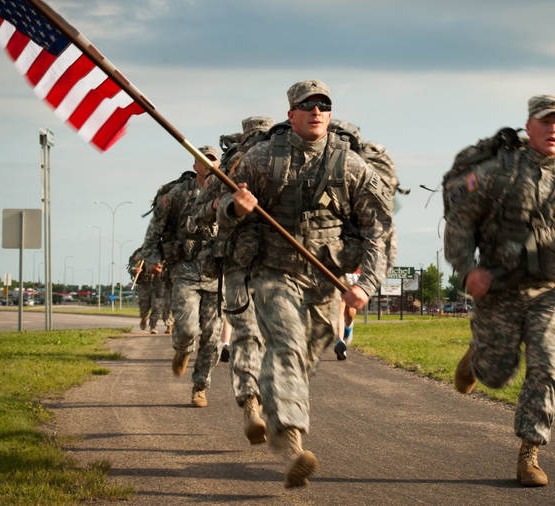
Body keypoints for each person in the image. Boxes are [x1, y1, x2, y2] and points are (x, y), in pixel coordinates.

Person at [216, 80, 393, 487]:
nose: (316, 111)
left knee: (303, 357)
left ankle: (275, 410)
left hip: (324, 280)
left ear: (330, 114)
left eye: (323, 105)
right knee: (287, 345)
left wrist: (365, 286)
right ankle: (294, 443)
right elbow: (220, 209)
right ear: (291, 114)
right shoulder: (260, 158)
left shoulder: (351, 166)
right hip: (273, 274)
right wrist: (234, 207)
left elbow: (377, 232)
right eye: (307, 105)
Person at [443, 94, 555, 487]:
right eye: (546, 121)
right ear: (529, 126)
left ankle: (530, 452)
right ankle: (477, 357)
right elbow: (460, 219)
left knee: (548, 365)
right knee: (495, 375)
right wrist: (468, 269)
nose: (553, 128)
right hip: (500, 289)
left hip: (549, 291)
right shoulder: (497, 173)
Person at [197, 116, 275, 445]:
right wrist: (230, 206)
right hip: (239, 265)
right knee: (246, 333)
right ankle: (251, 405)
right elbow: (202, 209)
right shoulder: (230, 169)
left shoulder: (287, 165)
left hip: (281, 266)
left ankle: (272, 403)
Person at [141, 146, 224, 408]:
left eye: (213, 159)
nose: (209, 164)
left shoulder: (227, 193)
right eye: (204, 160)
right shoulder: (177, 195)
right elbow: (155, 230)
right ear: (195, 164)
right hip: (185, 271)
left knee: (212, 337)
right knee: (188, 328)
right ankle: (183, 349)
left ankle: (200, 387)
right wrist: (152, 260)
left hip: (216, 273)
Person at [128, 247, 160, 334]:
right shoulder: (141, 252)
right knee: (144, 305)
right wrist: (135, 270)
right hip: (144, 283)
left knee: (156, 306)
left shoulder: (162, 251)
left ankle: (153, 326)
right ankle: (143, 318)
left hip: (158, 283)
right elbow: (132, 266)